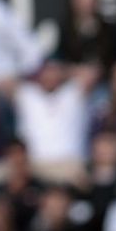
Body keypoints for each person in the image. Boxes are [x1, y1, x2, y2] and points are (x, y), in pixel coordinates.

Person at [14, 59, 94, 187]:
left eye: (54, 72)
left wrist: (62, 71)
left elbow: (91, 74)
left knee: (84, 182)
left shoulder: (72, 92)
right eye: (47, 72)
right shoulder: (27, 94)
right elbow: (2, 79)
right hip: (33, 164)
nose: (50, 76)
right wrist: (34, 70)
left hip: (68, 164)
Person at [57, 0, 116, 74]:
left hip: (102, 79)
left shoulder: (108, 30)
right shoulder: (64, 29)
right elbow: (59, 62)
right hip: (71, 78)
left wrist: (97, 71)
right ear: (73, 0)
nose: (85, 2)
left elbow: (114, 62)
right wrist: (74, 70)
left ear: (96, 0)